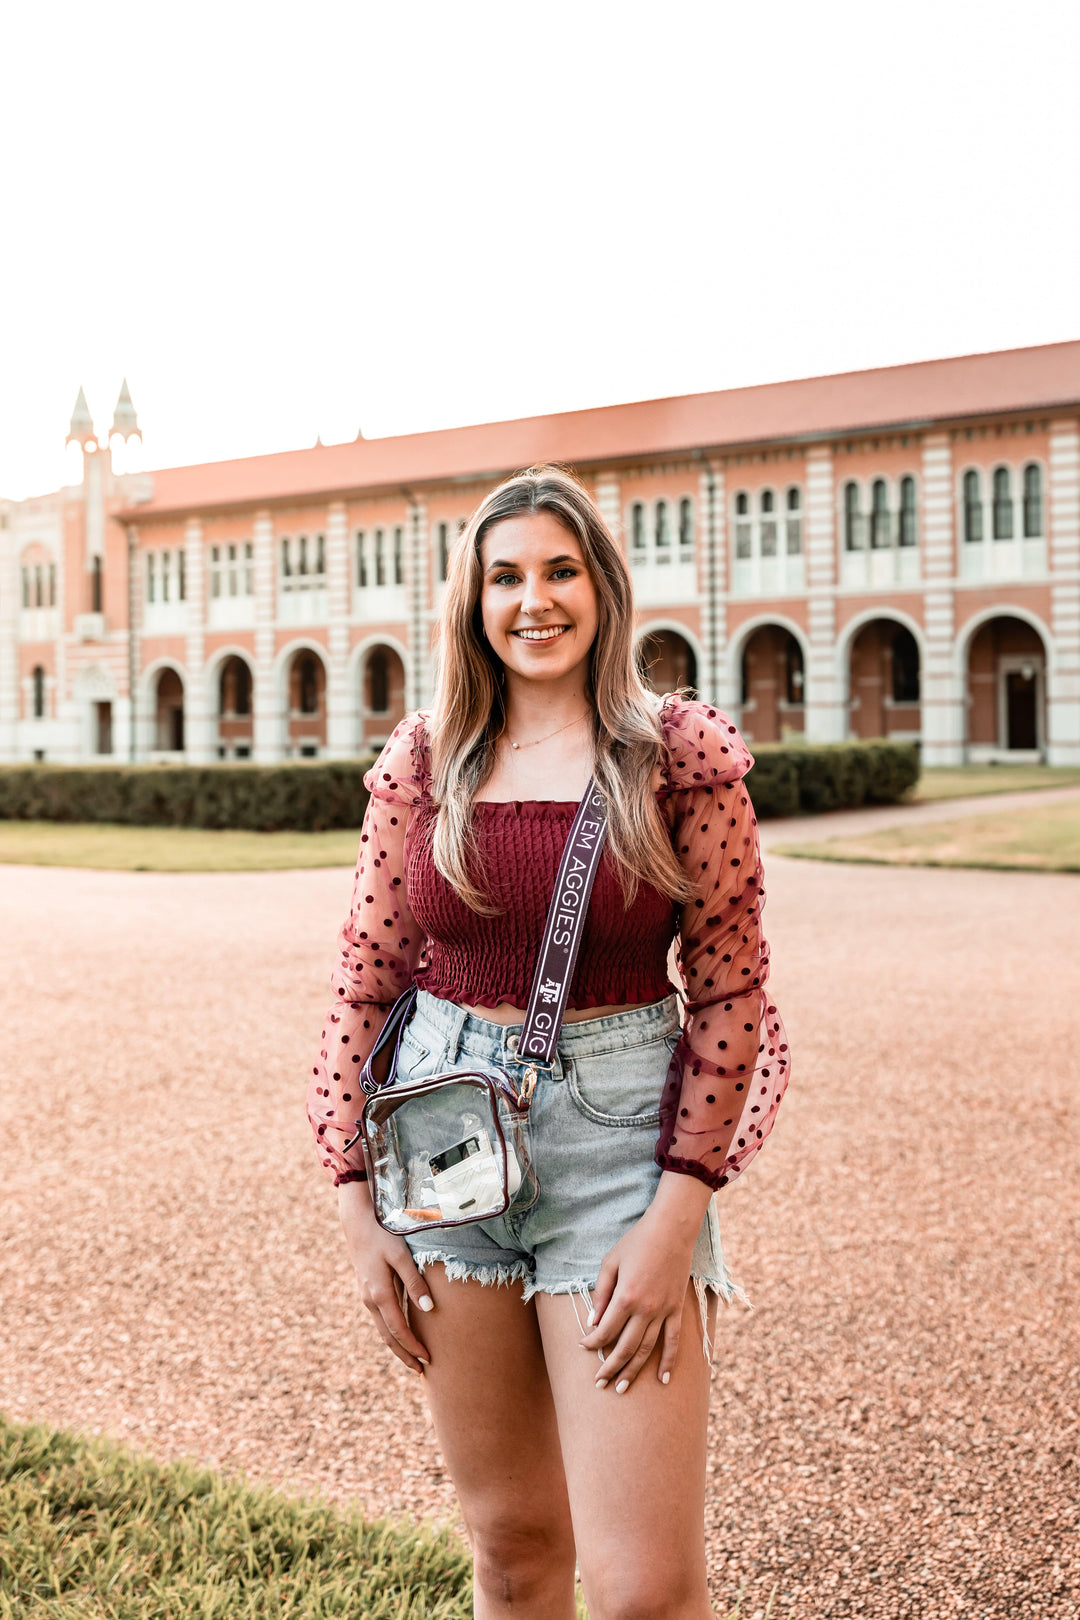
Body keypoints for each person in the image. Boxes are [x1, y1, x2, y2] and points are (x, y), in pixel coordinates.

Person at [308, 465, 789, 1620]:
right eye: (505, 575)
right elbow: (364, 981)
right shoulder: (424, 764)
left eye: (561, 570)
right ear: (472, 600)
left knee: (645, 1590)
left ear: (603, 587)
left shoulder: (678, 756)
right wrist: (350, 1201)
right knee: (515, 1547)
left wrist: (678, 1217)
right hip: (441, 1147)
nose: (536, 600)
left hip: (623, 1150)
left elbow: (731, 994)